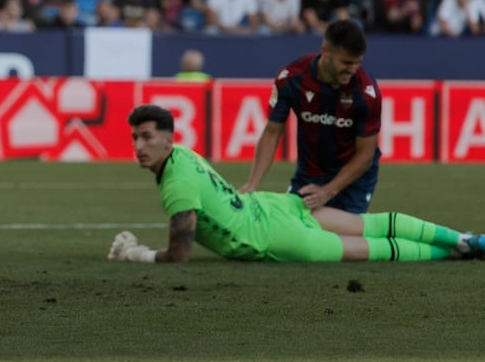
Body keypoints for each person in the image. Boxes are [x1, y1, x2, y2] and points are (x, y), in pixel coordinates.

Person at [108, 104, 485, 263]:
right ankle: (466, 241)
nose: (139, 146)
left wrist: (135, 253)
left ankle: (454, 252)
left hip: (279, 238)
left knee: (373, 247)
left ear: (167, 139)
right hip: (277, 206)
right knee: (374, 223)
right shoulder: (184, 154)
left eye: (146, 137)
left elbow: (179, 256)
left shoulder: (176, 181)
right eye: (135, 138)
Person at [239, 19, 381, 214]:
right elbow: (272, 133)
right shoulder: (291, 78)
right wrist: (252, 184)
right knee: (291, 238)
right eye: (347, 62)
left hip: (353, 181)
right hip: (309, 174)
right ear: (326, 51)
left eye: (358, 62)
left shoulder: (366, 93)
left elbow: (366, 154)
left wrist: (328, 191)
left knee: (340, 239)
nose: (353, 69)